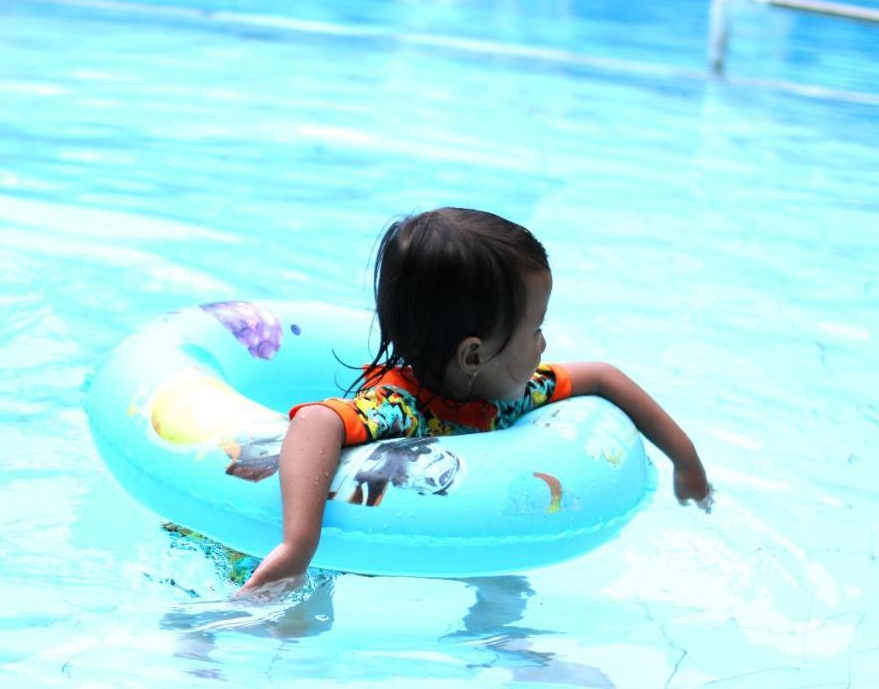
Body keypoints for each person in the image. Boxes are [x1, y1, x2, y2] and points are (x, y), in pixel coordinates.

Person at [236, 207, 711, 596]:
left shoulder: (508, 395)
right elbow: (316, 423)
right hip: (327, 555)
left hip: (456, 539)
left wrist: (685, 460)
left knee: (507, 586)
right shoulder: (400, 407)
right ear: (474, 354)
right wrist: (299, 545)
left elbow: (604, 378)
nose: (544, 345)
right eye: (536, 329)